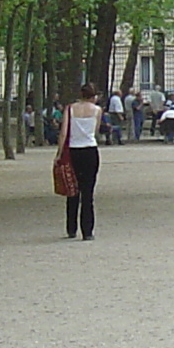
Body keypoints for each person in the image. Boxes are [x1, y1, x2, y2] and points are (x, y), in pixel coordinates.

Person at [60, 82, 104, 240]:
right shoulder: (97, 111)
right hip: (90, 150)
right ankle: (87, 231)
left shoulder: (70, 109)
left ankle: (71, 228)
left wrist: (59, 154)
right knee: (88, 192)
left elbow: (64, 132)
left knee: (72, 190)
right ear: (94, 96)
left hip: (73, 150)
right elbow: (95, 131)